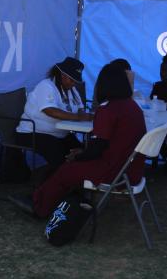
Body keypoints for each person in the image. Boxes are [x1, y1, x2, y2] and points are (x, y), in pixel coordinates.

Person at [14, 63, 147, 218]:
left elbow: (97, 149)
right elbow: (101, 145)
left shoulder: (108, 110)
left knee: (66, 169)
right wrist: (82, 152)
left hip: (113, 171)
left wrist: (79, 155)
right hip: (131, 171)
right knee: (66, 161)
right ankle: (55, 197)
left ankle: (40, 208)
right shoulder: (133, 107)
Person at [16, 57, 93, 173]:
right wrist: (78, 117)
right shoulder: (46, 86)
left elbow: (80, 109)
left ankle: (73, 182)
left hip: (60, 134)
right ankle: (55, 185)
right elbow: (50, 110)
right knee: (58, 155)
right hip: (32, 133)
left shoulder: (71, 89)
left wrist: (83, 114)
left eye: (75, 81)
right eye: (72, 80)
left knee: (81, 151)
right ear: (63, 75)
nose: (73, 84)